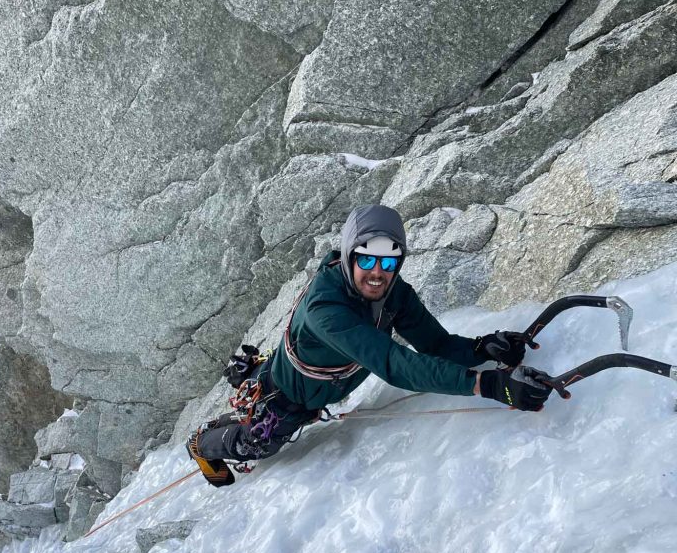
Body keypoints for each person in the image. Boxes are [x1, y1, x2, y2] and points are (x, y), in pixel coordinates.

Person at [187, 204, 559, 486]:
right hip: (286, 397)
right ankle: (202, 444)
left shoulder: (394, 295)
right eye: (366, 258)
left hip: (315, 385)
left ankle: (241, 399)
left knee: (268, 429)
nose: (378, 272)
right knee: (260, 445)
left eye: (389, 260)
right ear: (350, 255)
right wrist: (488, 385)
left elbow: (434, 343)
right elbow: (393, 363)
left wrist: (482, 349)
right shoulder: (325, 309)